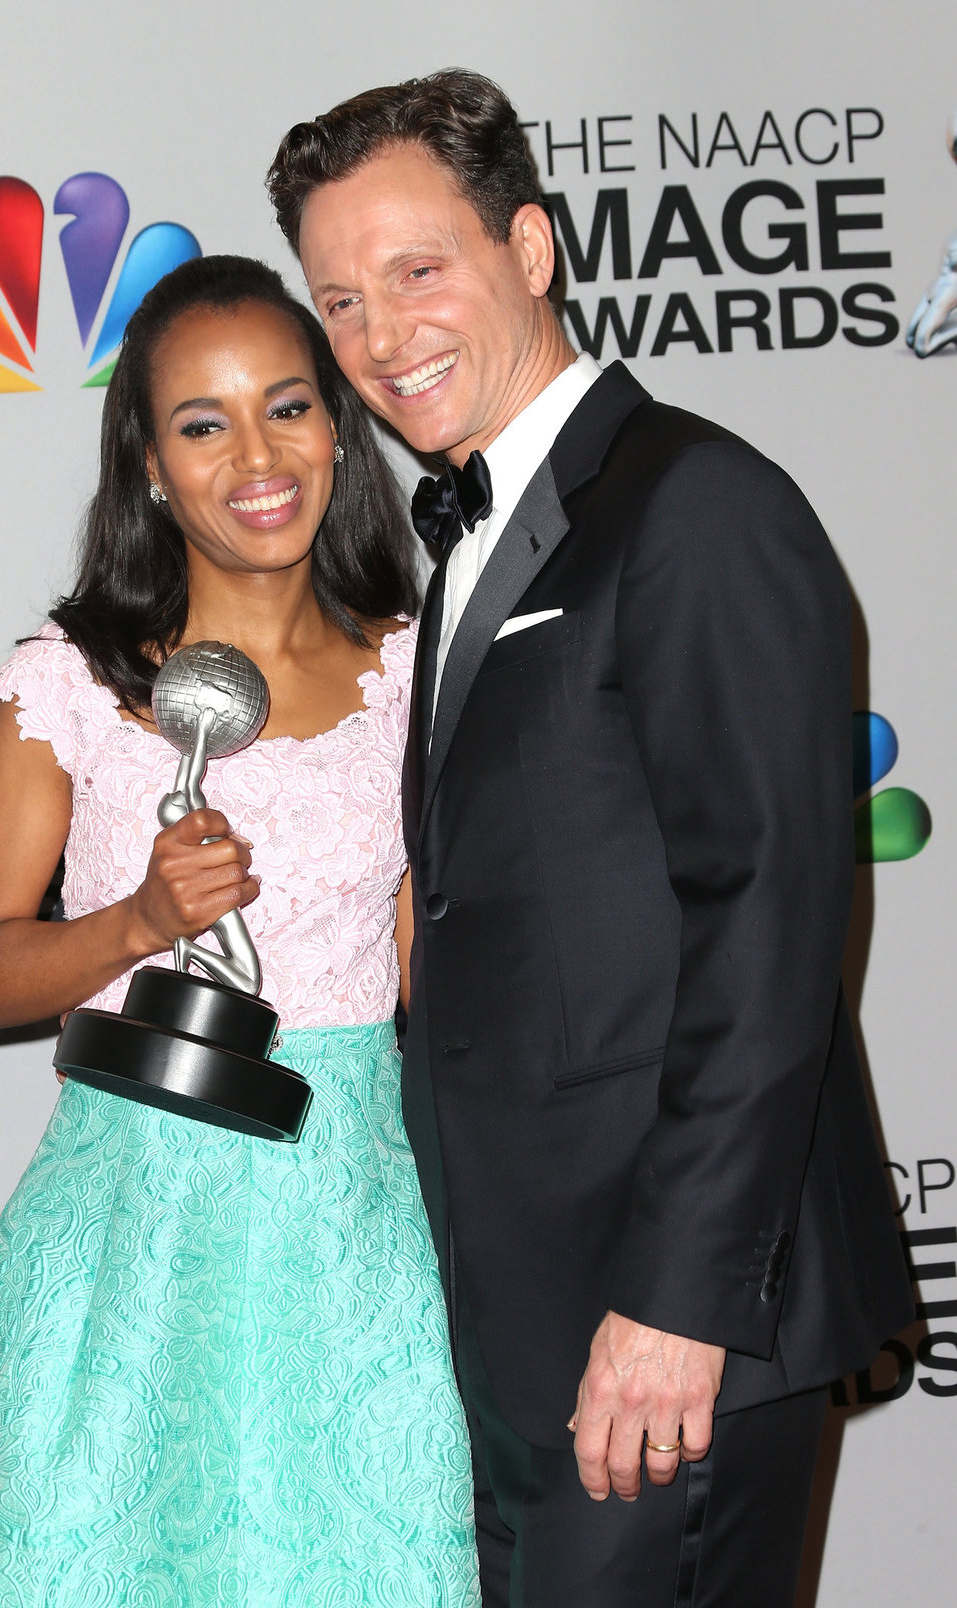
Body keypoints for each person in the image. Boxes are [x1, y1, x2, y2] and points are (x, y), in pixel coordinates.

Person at [267, 70, 915, 1608]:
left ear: (533, 249)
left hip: (665, 1322)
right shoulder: (464, 534)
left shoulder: (695, 507)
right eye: (341, 300)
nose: (381, 338)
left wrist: (677, 1302)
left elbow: (767, 918)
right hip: (528, 1318)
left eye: (421, 272)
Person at [0, 255, 480, 1608]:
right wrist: (135, 921)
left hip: (350, 1227)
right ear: (146, 464)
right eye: (204, 423)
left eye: (289, 408)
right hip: (130, 1228)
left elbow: (445, 983)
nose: (257, 456)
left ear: (338, 428)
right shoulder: (69, 682)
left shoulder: (416, 668)